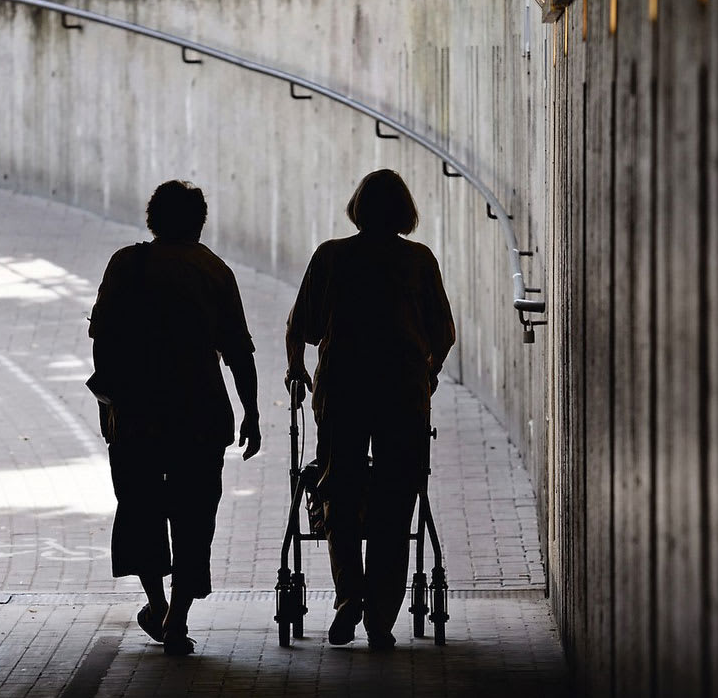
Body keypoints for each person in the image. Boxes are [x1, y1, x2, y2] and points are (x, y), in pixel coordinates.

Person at [88, 180, 261, 656]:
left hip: (138, 412)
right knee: (194, 515)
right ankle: (178, 619)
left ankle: (156, 603)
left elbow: (101, 336)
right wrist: (252, 410)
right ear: (199, 222)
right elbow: (237, 350)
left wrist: (109, 400)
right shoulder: (215, 271)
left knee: (142, 508)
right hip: (201, 414)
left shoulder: (127, 263)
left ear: (153, 219)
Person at [284, 168, 455, 650]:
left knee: (341, 487)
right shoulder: (418, 261)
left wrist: (297, 368)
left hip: (342, 389)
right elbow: (442, 332)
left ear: (358, 208)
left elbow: (299, 326)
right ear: (404, 212)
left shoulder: (332, 257)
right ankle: (381, 616)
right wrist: (429, 371)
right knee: (395, 497)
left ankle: (347, 601)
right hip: (401, 391)